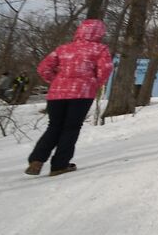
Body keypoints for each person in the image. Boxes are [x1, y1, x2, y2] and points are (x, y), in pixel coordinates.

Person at [25, 19, 113, 176]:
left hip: (57, 93)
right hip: (82, 93)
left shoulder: (63, 49)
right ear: (100, 33)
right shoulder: (99, 49)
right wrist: (94, 83)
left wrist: (56, 81)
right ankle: (60, 165)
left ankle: (37, 160)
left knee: (54, 126)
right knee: (71, 128)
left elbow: (43, 68)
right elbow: (105, 69)